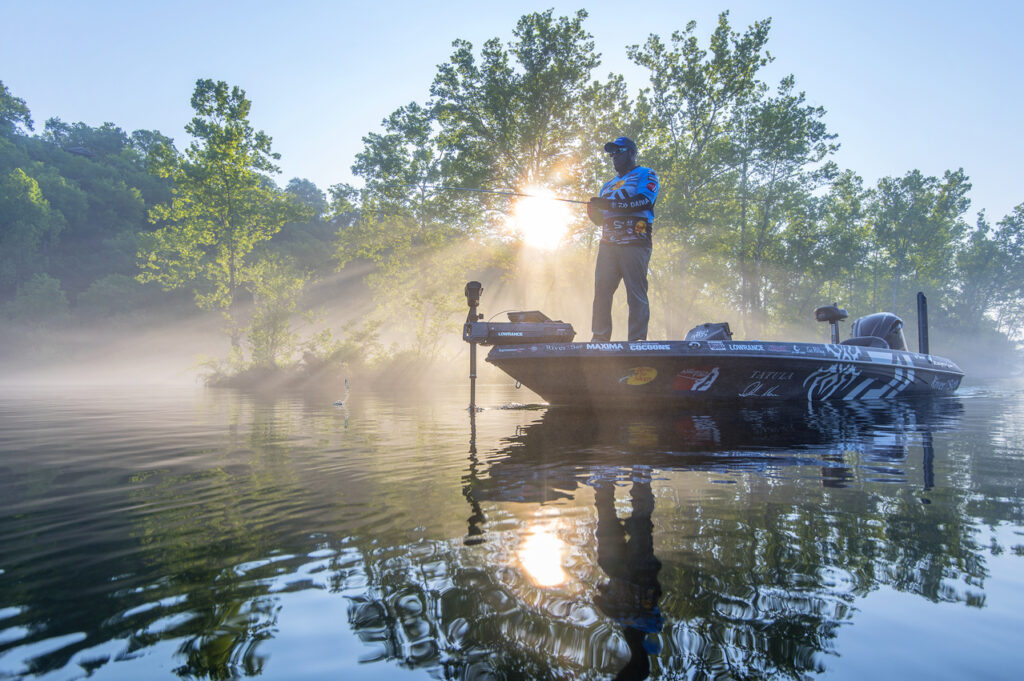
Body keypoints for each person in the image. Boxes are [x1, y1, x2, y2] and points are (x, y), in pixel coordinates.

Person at [588, 136, 660, 342]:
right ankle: (599, 338)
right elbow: (600, 221)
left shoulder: (646, 174)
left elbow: (644, 201)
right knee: (602, 291)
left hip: (635, 240)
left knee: (635, 292)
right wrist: (593, 211)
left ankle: (637, 340)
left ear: (630, 152)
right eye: (611, 154)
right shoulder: (607, 185)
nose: (613, 157)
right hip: (607, 244)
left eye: (618, 152)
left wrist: (608, 205)